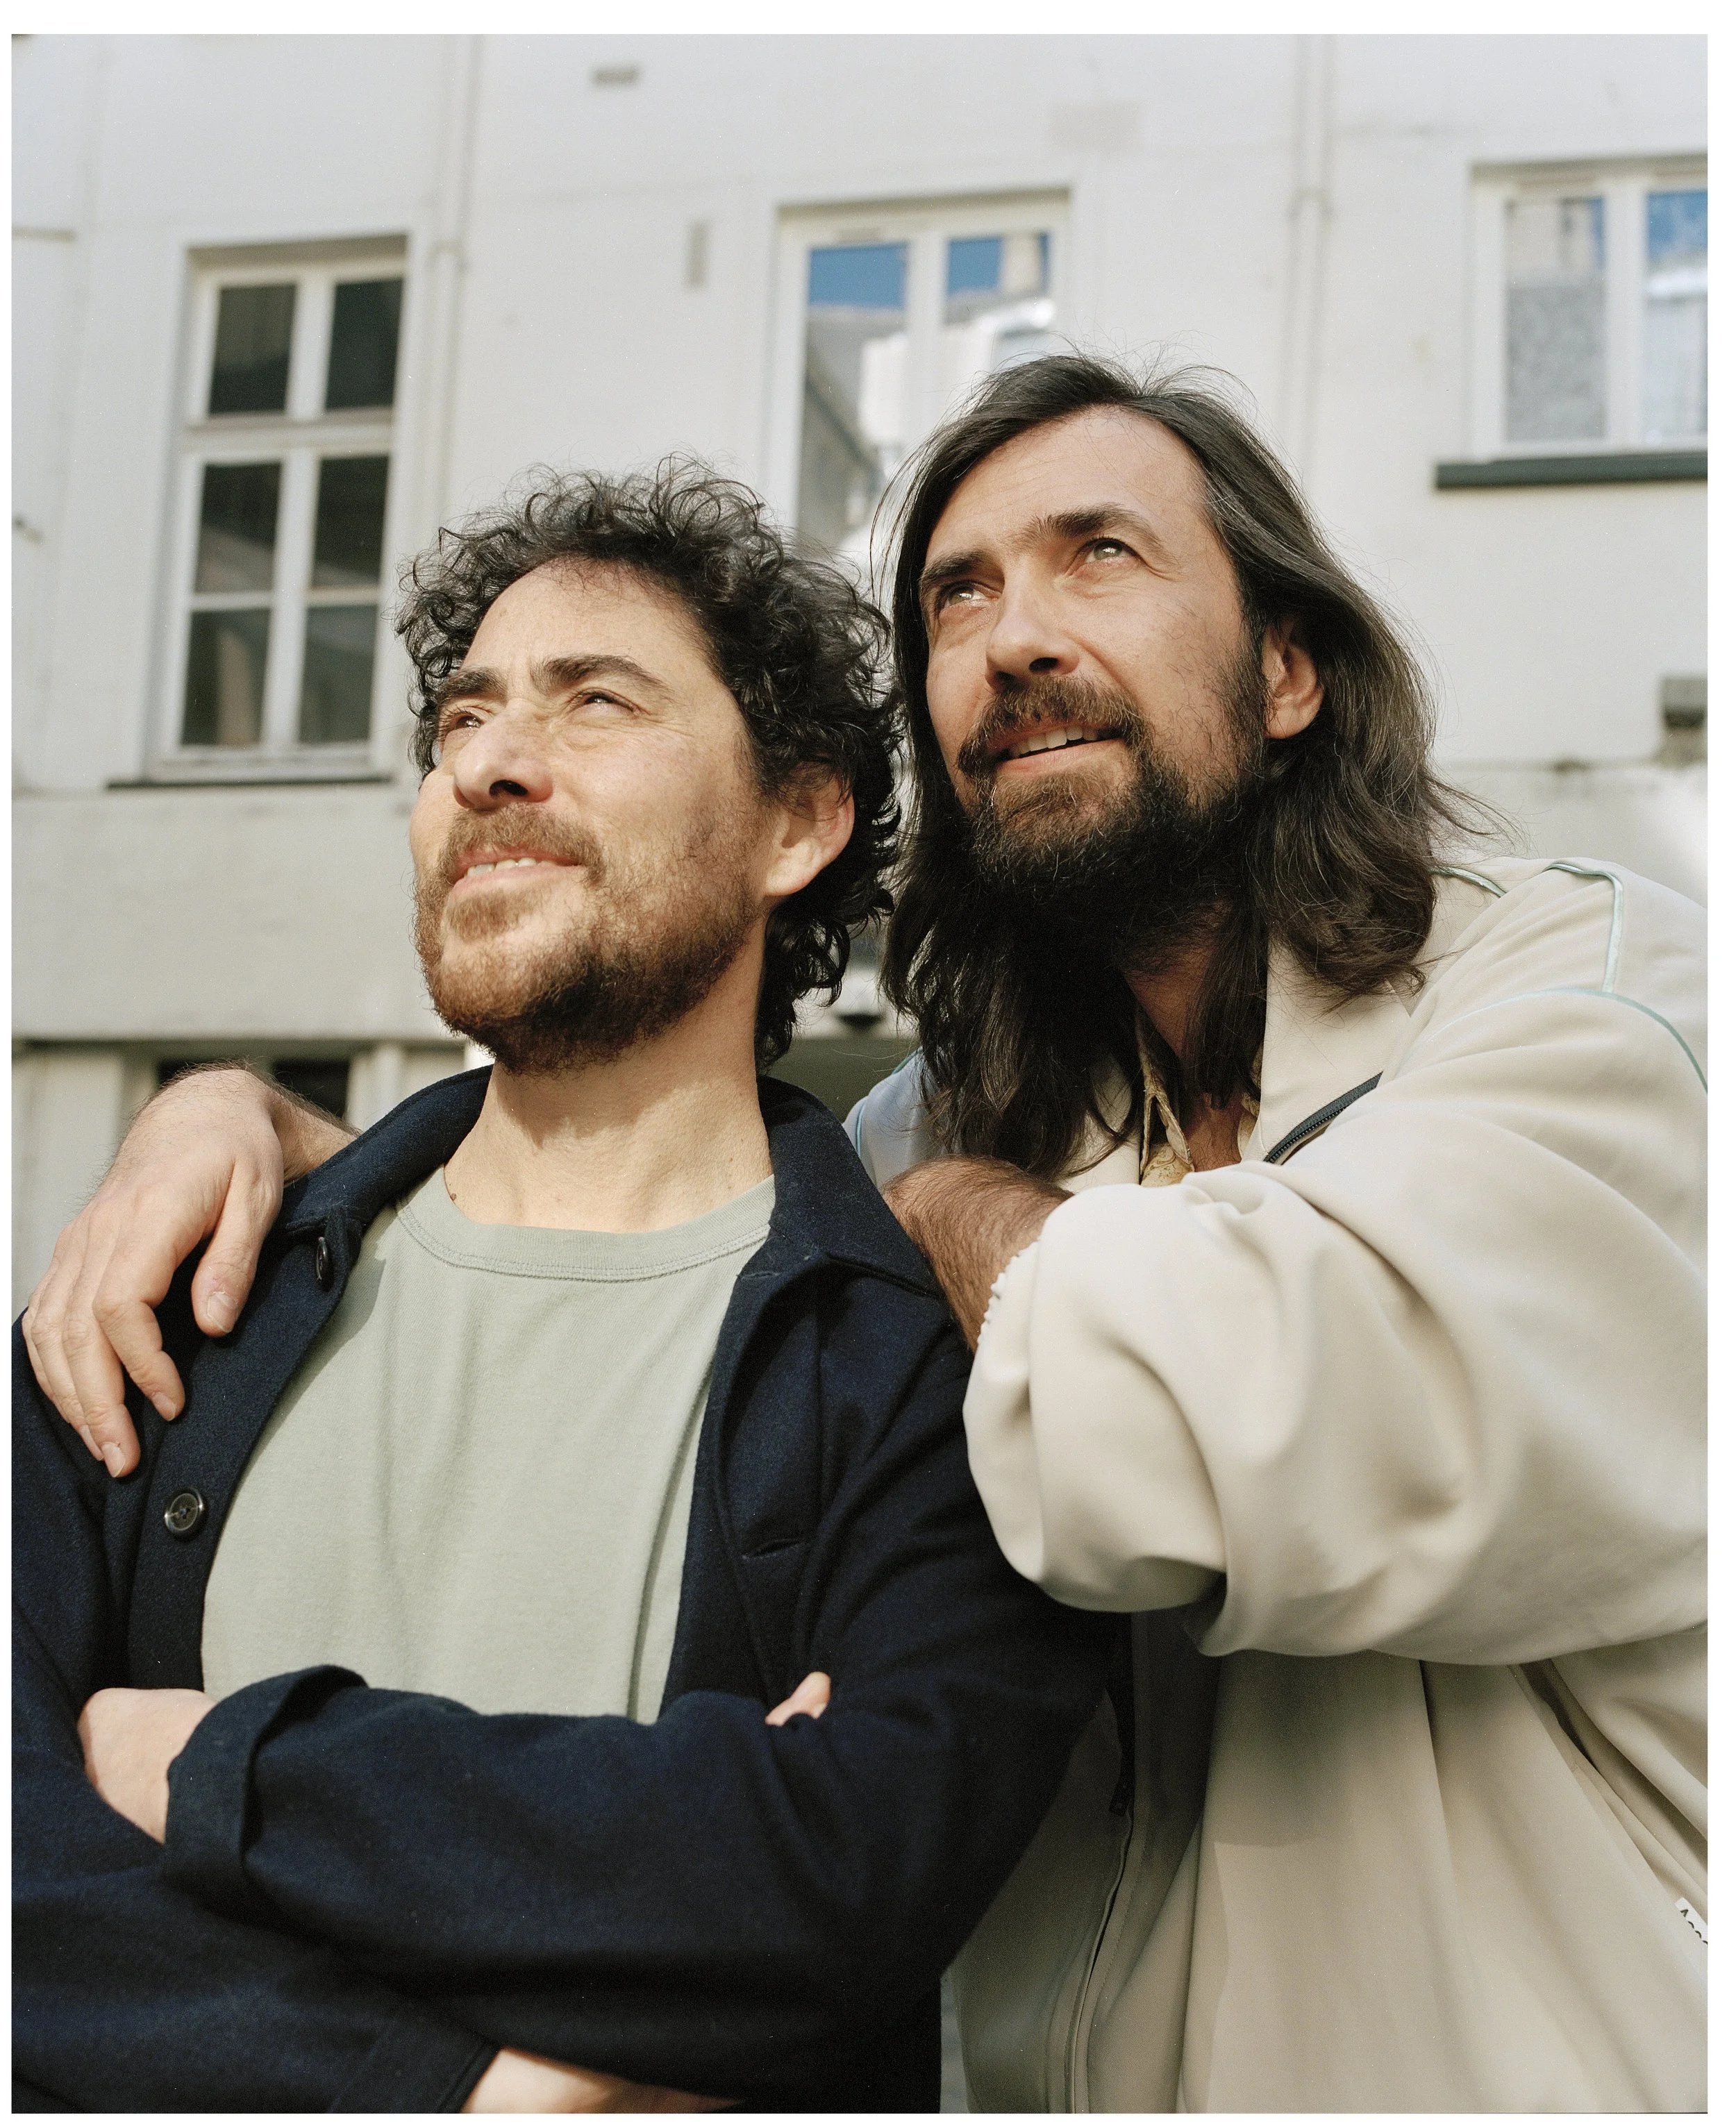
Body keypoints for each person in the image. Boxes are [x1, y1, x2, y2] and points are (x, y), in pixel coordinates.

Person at [28, 357, 1707, 2112]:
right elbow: (590, 1137)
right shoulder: (929, 1141)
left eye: (1098, 556)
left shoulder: (1579, 993)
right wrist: (261, 1126)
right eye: (955, 594)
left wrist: (230, 1764)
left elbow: (1294, 1403)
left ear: (1285, 670)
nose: (1012, 636)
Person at [13, 464, 1108, 2114]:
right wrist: (460, 2085)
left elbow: (831, 1889)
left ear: (794, 825)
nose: (491, 764)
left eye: (595, 703)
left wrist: (210, 1766)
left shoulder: (924, 1375)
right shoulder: (167, 1293)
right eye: (460, 721)